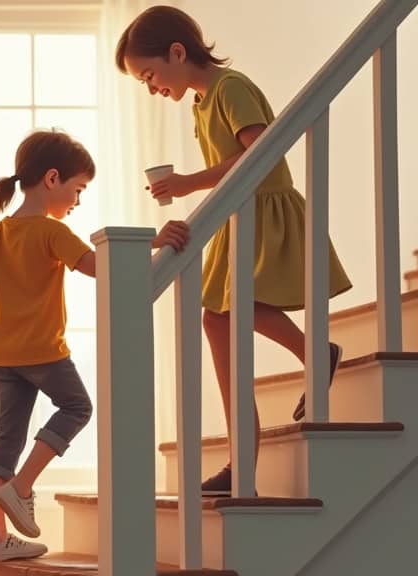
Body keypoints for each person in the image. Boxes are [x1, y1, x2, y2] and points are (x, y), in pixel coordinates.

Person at [115, 5, 352, 495]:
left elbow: (259, 154)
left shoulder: (230, 87)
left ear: (177, 52)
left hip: (263, 212)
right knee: (216, 321)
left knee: (233, 310)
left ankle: (315, 353)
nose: (151, 88)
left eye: (150, 75)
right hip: (237, 218)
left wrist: (188, 183)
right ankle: (242, 462)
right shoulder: (201, 104)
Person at [0, 130, 190, 552]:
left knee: (7, 436)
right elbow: (100, 267)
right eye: (77, 190)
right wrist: (153, 243)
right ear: (52, 179)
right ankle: (21, 488)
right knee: (77, 407)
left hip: (0, 353)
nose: (77, 201)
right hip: (42, 351)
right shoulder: (51, 232)